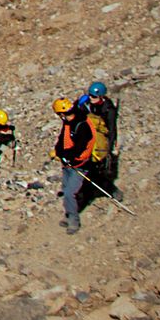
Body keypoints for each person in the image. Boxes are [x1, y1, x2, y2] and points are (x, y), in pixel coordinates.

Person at [53, 97, 100, 233]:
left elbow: (80, 147)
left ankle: (73, 220)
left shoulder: (82, 125)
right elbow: (62, 139)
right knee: (66, 188)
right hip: (68, 164)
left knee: (69, 193)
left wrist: (66, 155)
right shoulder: (68, 123)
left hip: (80, 165)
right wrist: (59, 152)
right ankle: (69, 214)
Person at [79, 81, 120, 197]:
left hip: (101, 140)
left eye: (94, 96)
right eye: (90, 95)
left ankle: (110, 190)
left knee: (100, 167)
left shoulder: (108, 110)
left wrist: (110, 148)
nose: (91, 98)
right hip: (89, 137)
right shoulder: (86, 103)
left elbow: (112, 129)